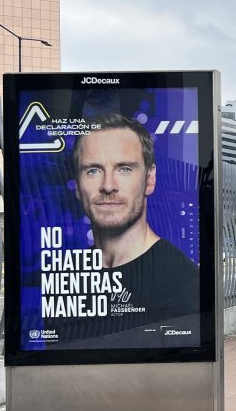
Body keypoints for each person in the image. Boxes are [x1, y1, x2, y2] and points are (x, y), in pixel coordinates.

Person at [69, 113, 200, 344]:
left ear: (150, 179)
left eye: (125, 169)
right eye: (93, 170)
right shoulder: (67, 278)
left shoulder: (183, 284)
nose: (108, 186)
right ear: (78, 185)